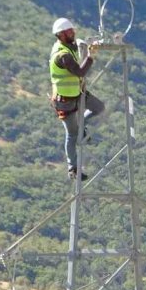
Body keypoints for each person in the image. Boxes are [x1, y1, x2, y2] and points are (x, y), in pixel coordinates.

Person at [50, 17, 105, 180]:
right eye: (69, 32)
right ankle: (72, 168)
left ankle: (83, 126)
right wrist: (90, 57)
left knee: (99, 108)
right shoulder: (62, 55)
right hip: (64, 100)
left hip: (78, 93)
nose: (72, 33)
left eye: (72, 30)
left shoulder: (70, 46)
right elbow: (80, 72)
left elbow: (78, 44)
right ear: (60, 35)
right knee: (72, 134)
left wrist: (90, 45)